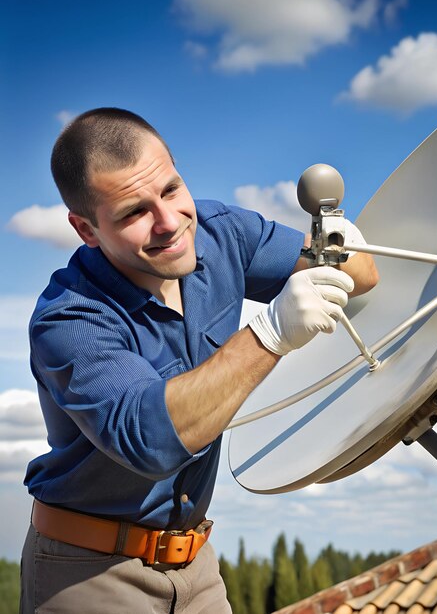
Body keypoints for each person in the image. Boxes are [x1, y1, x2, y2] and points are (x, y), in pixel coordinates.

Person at [20, 108, 378, 613]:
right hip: (88, 572)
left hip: (197, 565)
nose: (169, 224)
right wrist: (270, 334)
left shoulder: (220, 232)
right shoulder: (70, 320)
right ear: (86, 230)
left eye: (170, 190)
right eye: (133, 213)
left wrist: (342, 246)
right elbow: (153, 441)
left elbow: (359, 273)